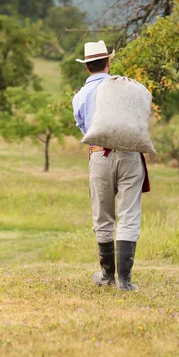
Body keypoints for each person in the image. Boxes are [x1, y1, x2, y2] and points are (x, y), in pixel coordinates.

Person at [72, 40, 150, 291]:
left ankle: (107, 275)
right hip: (130, 155)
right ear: (108, 62)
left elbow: (85, 129)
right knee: (129, 214)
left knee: (103, 216)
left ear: (87, 68)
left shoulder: (80, 96)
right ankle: (125, 281)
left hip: (99, 157)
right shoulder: (125, 88)